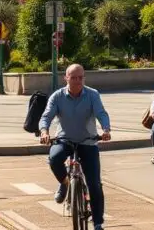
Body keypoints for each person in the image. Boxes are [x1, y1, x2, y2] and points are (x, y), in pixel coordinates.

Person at [39, 64, 111, 230]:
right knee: (54, 158)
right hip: (65, 140)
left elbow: (101, 113)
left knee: (94, 184)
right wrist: (44, 131)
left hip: (88, 141)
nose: (78, 81)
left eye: (81, 77)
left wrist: (106, 130)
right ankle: (65, 183)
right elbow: (46, 116)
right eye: (73, 78)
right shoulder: (57, 96)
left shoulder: (92, 94)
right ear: (66, 78)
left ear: (84, 78)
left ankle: (98, 223)